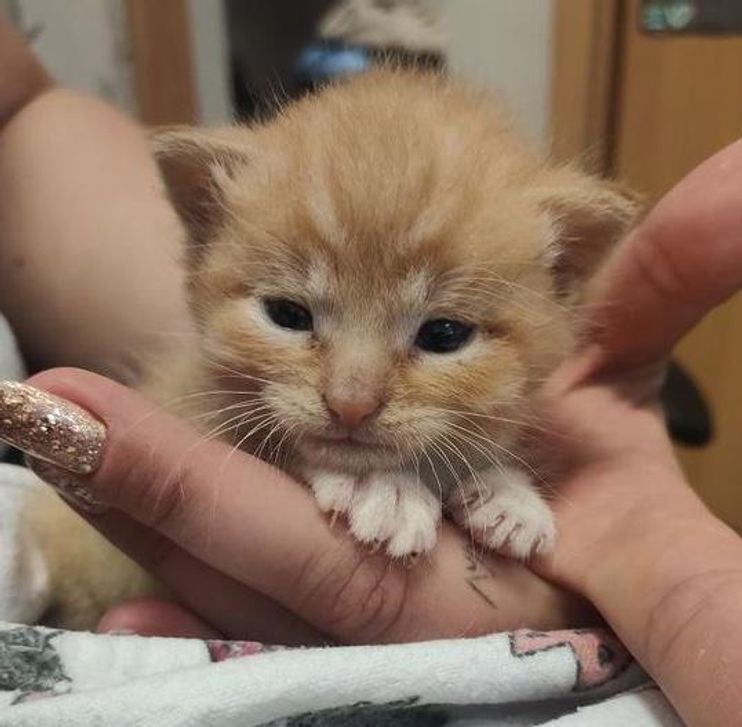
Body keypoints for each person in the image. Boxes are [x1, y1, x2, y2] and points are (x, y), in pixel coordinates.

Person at [2, 16, 742, 726]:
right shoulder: (216, 384)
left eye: (443, 332)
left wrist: (489, 478)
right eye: (292, 315)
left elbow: (22, 111)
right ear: (201, 220)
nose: (350, 397)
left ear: (567, 274)